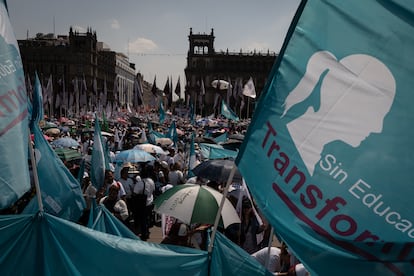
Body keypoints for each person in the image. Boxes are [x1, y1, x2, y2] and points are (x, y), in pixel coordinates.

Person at [282, 51, 396, 176]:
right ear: (345, 101)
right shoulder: (296, 149)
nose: (378, 128)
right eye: (376, 114)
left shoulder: (291, 140)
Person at [132, 164, 155, 240]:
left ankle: (144, 234)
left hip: (143, 203)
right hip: (150, 202)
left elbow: (135, 193)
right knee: (147, 218)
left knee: (143, 220)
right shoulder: (151, 181)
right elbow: (153, 190)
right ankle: (147, 231)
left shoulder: (140, 183)